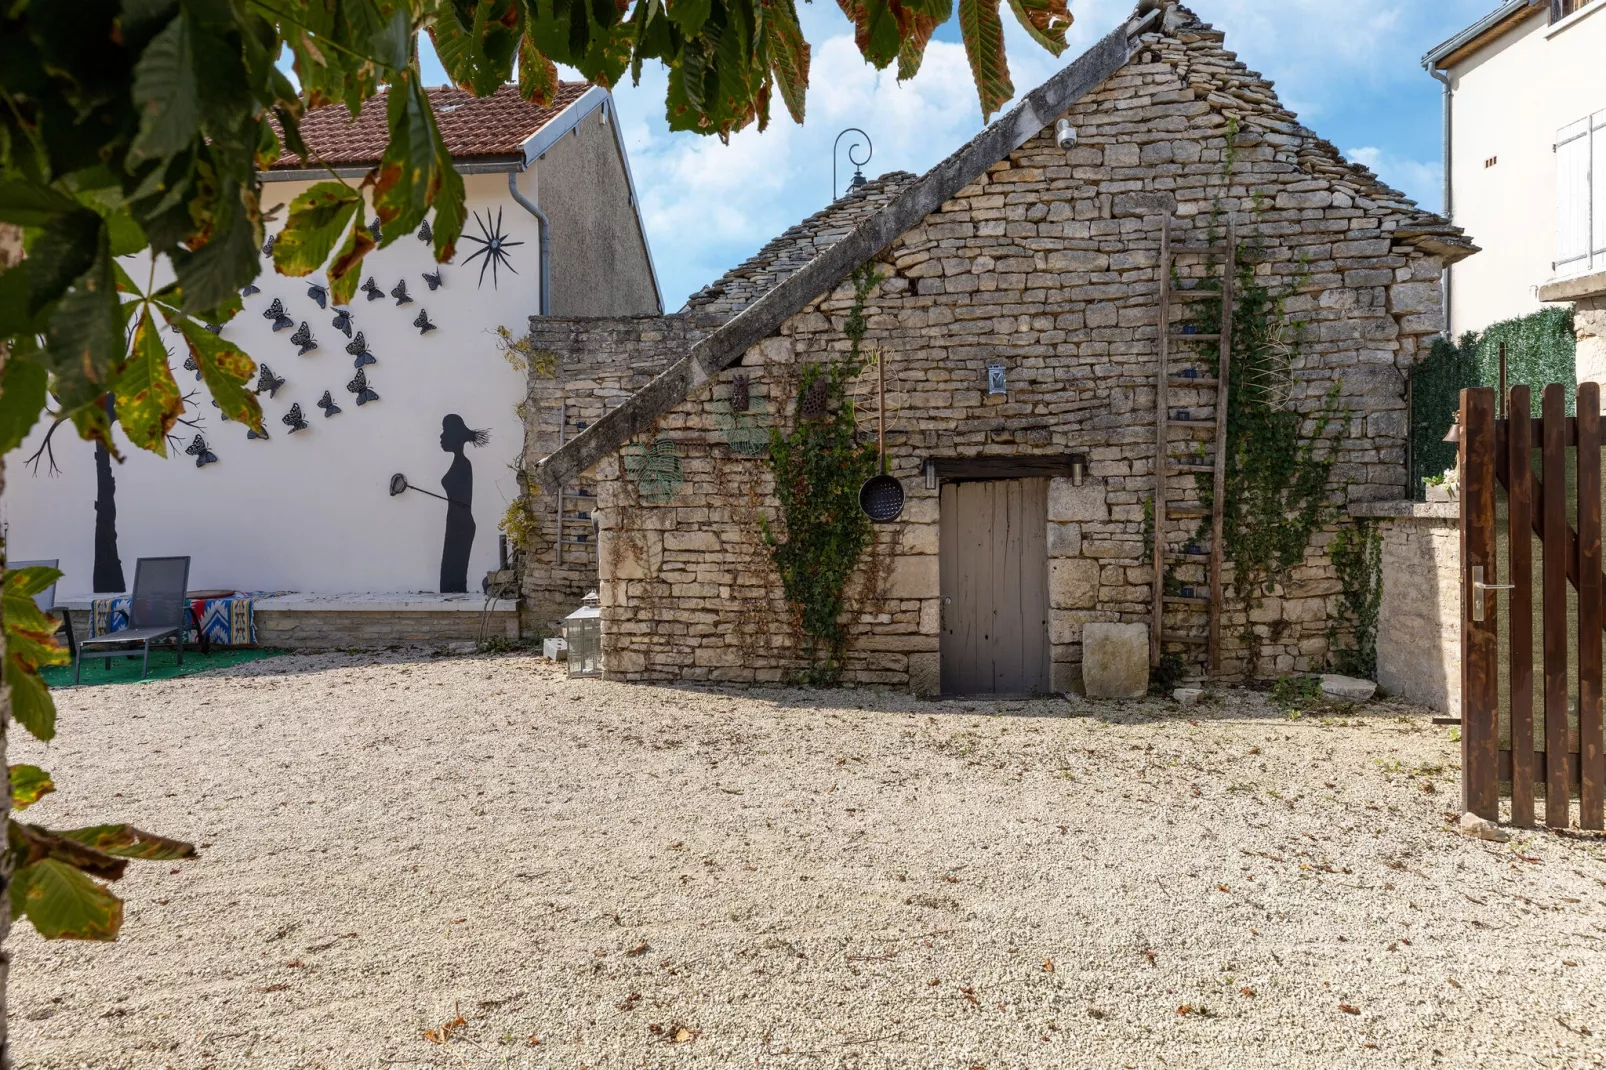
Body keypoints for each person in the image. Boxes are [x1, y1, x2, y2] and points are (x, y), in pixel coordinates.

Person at [438, 415, 489, 593]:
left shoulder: (463, 464)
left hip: (460, 522)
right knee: (451, 571)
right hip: (456, 521)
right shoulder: (459, 463)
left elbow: (463, 500)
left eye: (445, 431)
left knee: (453, 574)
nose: (441, 437)